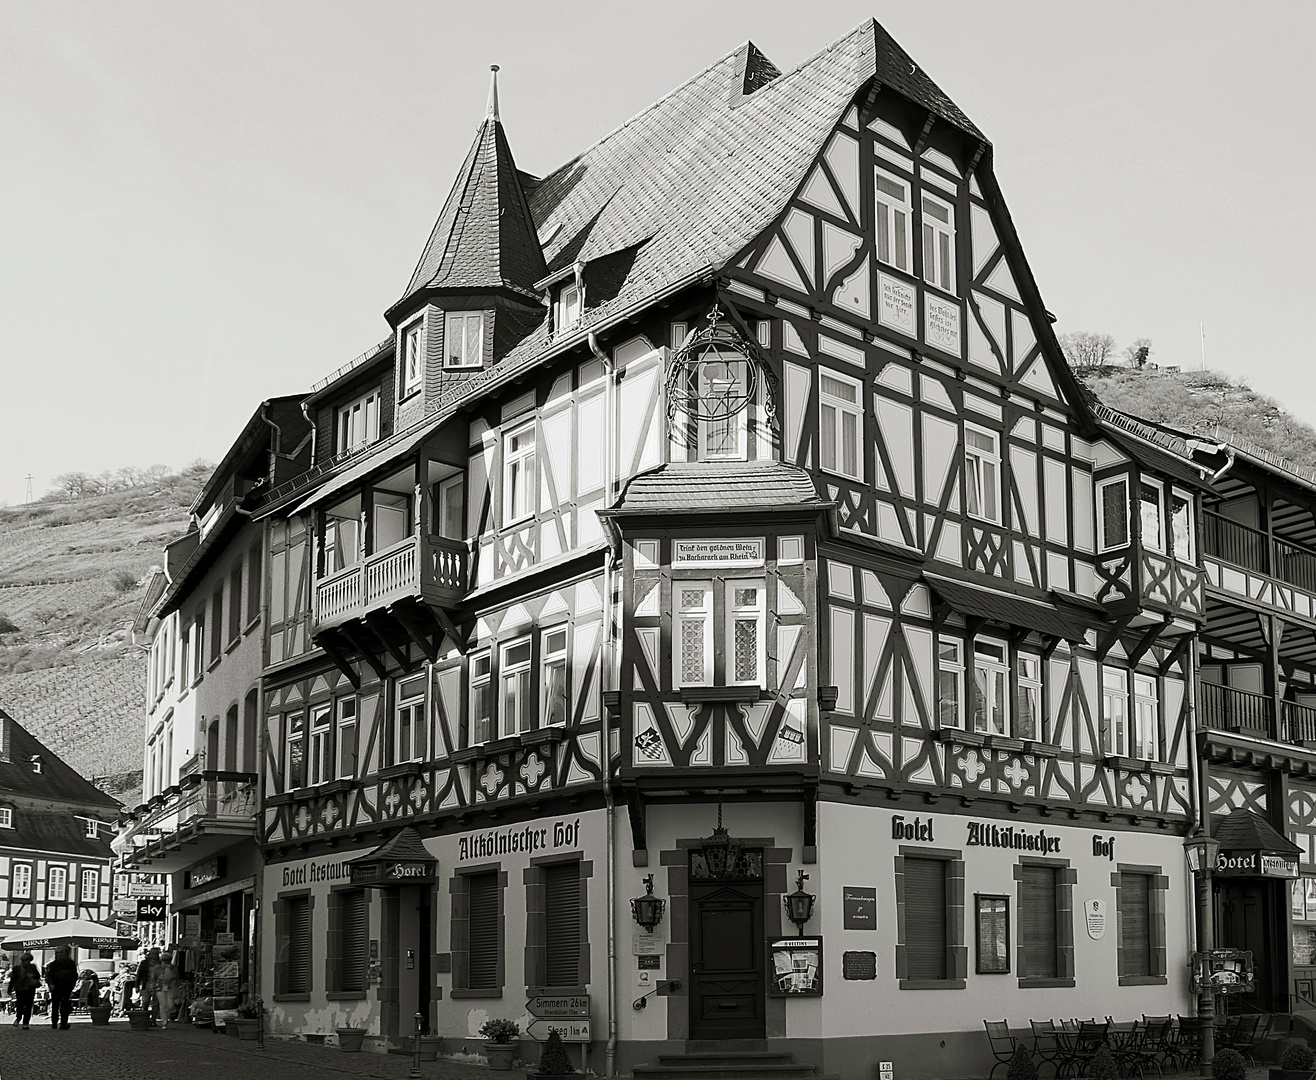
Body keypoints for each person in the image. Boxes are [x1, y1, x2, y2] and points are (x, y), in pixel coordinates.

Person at [43, 945, 78, 1029]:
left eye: (61, 953)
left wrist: (72, 984)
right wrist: (51, 984)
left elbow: (74, 975)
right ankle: (54, 1022)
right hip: (56, 986)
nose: (59, 955)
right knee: (55, 1004)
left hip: (67, 986)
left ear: (66, 953)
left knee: (65, 1004)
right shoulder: (53, 964)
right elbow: (48, 976)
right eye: (57, 953)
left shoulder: (70, 963)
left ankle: (63, 1023)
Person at [6, 951, 40, 1029]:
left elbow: (37, 976)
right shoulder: (17, 968)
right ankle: (19, 1018)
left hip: (29, 988)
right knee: (20, 1005)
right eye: (25, 960)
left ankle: (25, 1023)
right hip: (20, 989)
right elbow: (13, 979)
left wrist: (31, 975)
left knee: (28, 1005)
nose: (26, 962)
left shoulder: (32, 967)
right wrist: (10, 989)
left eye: (28, 960)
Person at [136, 948, 161, 1023]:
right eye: (152, 953)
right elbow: (139, 974)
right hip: (147, 983)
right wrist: (136, 985)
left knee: (156, 1003)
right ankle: (144, 1018)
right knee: (145, 1001)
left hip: (157, 984)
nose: (154, 955)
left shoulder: (160, 963)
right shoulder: (144, 963)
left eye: (155, 954)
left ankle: (153, 1020)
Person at [156, 949, 179, 1027]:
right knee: (163, 1005)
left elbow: (177, 977)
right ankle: (164, 1022)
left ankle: (167, 1017)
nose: (166, 961)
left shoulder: (173, 967)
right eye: (164, 960)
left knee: (170, 1005)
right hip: (160, 987)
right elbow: (154, 977)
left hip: (170, 988)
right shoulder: (158, 968)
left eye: (168, 960)